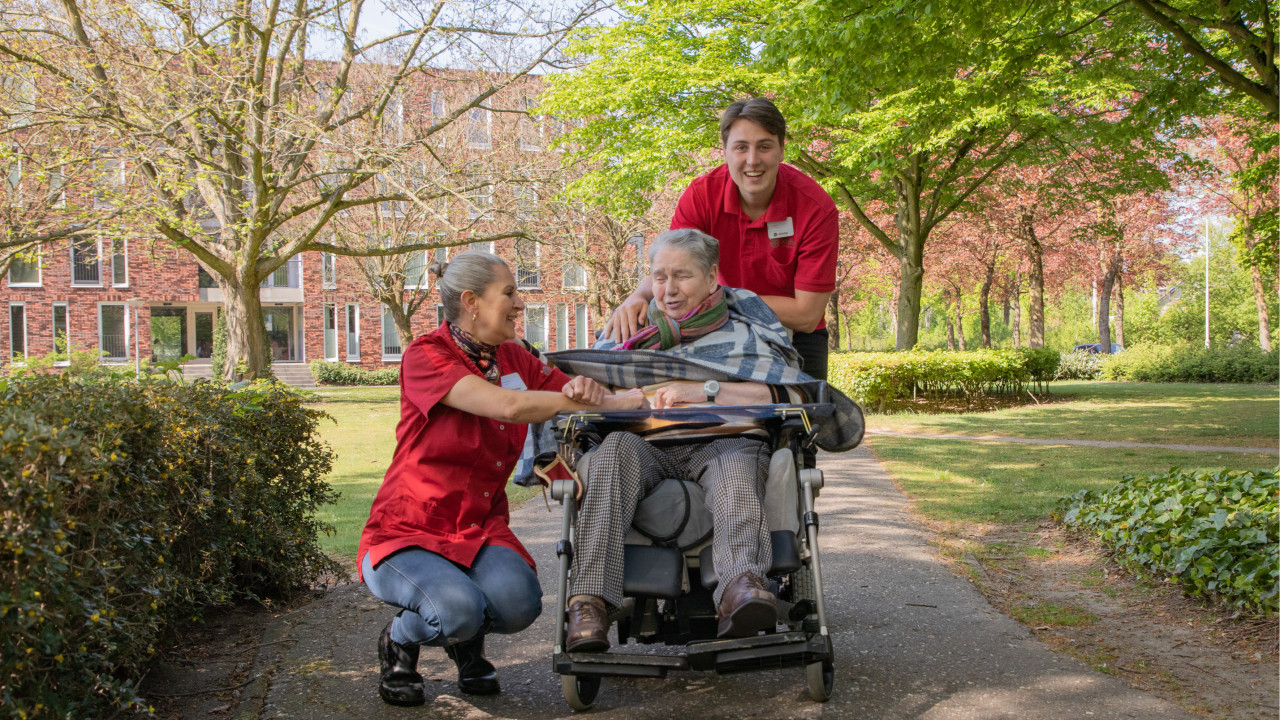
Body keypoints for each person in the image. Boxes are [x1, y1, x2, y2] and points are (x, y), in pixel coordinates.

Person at [357, 251, 645, 707]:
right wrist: (599, 403)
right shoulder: (426, 356)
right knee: (456, 611)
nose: (520, 304)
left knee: (519, 605)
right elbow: (508, 407)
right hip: (410, 530)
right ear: (471, 301)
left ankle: (463, 638)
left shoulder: (513, 357)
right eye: (509, 293)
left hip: (476, 527)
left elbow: (565, 393)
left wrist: (600, 394)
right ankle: (400, 640)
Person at [564, 228, 799, 652]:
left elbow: (792, 392)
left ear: (712, 278)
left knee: (734, 467)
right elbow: (590, 387)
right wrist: (603, 396)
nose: (669, 290)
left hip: (724, 438)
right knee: (611, 452)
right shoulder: (624, 333)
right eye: (659, 277)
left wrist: (709, 391)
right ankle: (589, 604)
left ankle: (740, 590)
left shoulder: (747, 331)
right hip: (643, 444)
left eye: (682, 276)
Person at [605, 97, 839, 380]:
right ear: (725, 152)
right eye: (741, 147)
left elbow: (806, 314)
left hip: (796, 335)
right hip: (717, 322)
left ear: (781, 150)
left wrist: (725, 297)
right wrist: (636, 297)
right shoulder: (701, 196)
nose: (752, 160)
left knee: (807, 418)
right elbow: (674, 268)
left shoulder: (816, 208)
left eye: (764, 146)